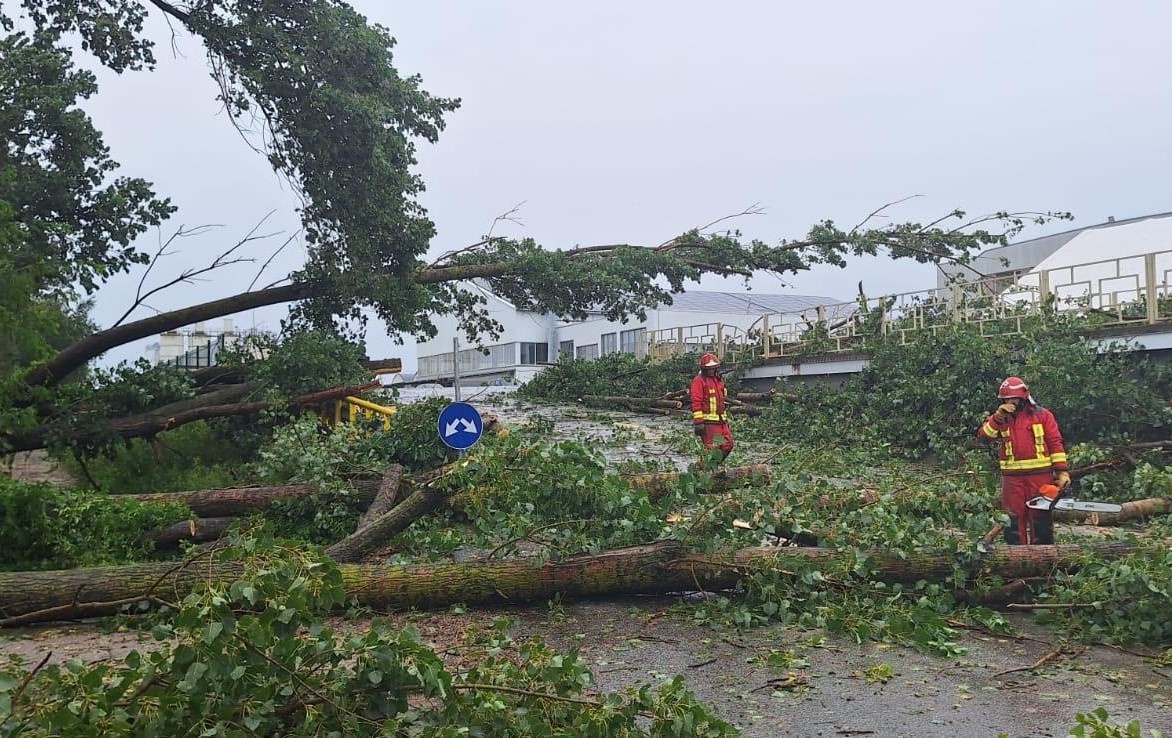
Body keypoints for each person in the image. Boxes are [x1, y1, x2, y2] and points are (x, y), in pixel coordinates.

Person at [977, 376, 1071, 545]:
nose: (1009, 401)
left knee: (1040, 519)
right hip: (1012, 479)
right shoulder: (1000, 418)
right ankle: (1016, 559)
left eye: (1013, 398)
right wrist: (997, 418)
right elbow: (984, 438)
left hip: (1040, 477)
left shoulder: (1043, 416)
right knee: (1012, 519)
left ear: (1023, 397)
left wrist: (1062, 472)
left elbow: (1055, 443)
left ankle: (1044, 559)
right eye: (1006, 399)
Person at [691, 352, 734, 463]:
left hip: (721, 421)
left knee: (728, 444)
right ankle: (702, 471)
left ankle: (713, 466)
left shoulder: (718, 380)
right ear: (704, 369)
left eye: (713, 369)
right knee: (711, 448)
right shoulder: (699, 381)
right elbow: (696, 401)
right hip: (708, 422)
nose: (711, 371)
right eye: (709, 369)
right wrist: (699, 422)